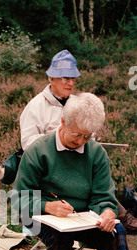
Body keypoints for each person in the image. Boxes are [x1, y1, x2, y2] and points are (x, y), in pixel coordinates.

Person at [14, 93, 137, 250]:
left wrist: (107, 212)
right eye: (77, 134)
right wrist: (47, 206)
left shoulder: (96, 153)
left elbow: (103, 196)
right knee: (60, 233)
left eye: (87, 136)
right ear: (63, 122)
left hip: (85, 219)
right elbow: (19, 196)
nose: (81, 141)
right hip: (44, 218)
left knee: (116, 231)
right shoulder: (39, 149)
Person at [19, 49, 137, 233]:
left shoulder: (79, 103)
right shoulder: (36, 107)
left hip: (79, 170)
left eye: (74, 78)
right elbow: (28, 144)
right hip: (48, 174)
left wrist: (81, 139)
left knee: (102, 189)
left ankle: (114, 214)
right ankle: (124, 215)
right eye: (65, 78)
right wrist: (57, 141)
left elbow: (89, 140)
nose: (71, 83)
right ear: (51, 77)